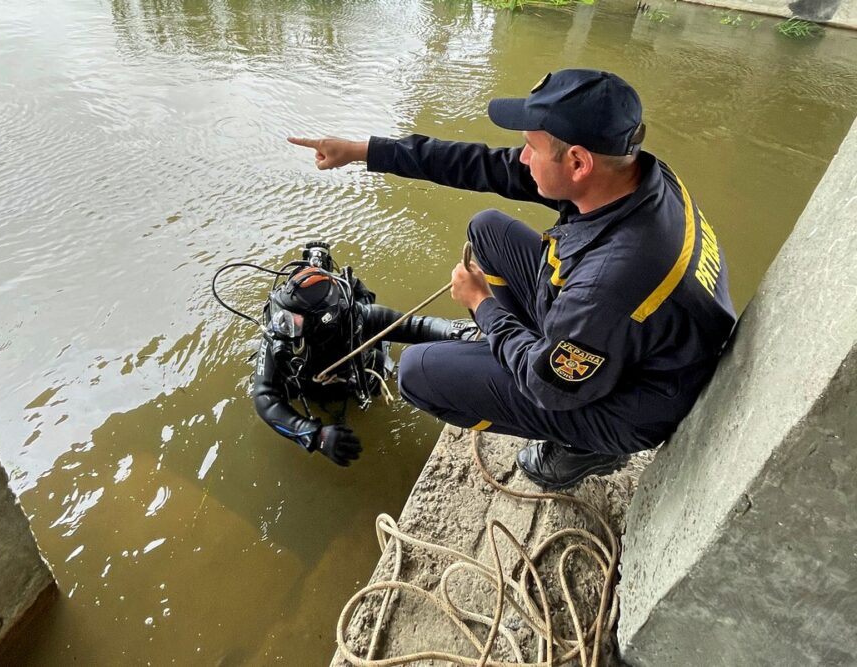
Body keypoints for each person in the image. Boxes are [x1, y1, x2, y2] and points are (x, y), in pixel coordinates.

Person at [288, 69, 737, 490]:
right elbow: (479, 164)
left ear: (578, 162)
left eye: (531, 147)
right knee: (487, 227)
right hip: (633, 340)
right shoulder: (632, 176)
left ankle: (585, 449)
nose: (522, 156)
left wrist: (483, 306)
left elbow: (547, 384)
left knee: (417, 373)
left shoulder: (610, 283)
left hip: (633, 403)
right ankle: (529, 343)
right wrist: (365, 151)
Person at [252, 242, 477, 467]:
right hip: (308, 392)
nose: (282, 324)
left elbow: (417, 326)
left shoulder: (358, 319)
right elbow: (265, 398)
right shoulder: (277, 336)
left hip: (353, 383)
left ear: (323, 320)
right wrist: (313, 434)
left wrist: (465, 332)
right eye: (282, 315)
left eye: (292, 320)